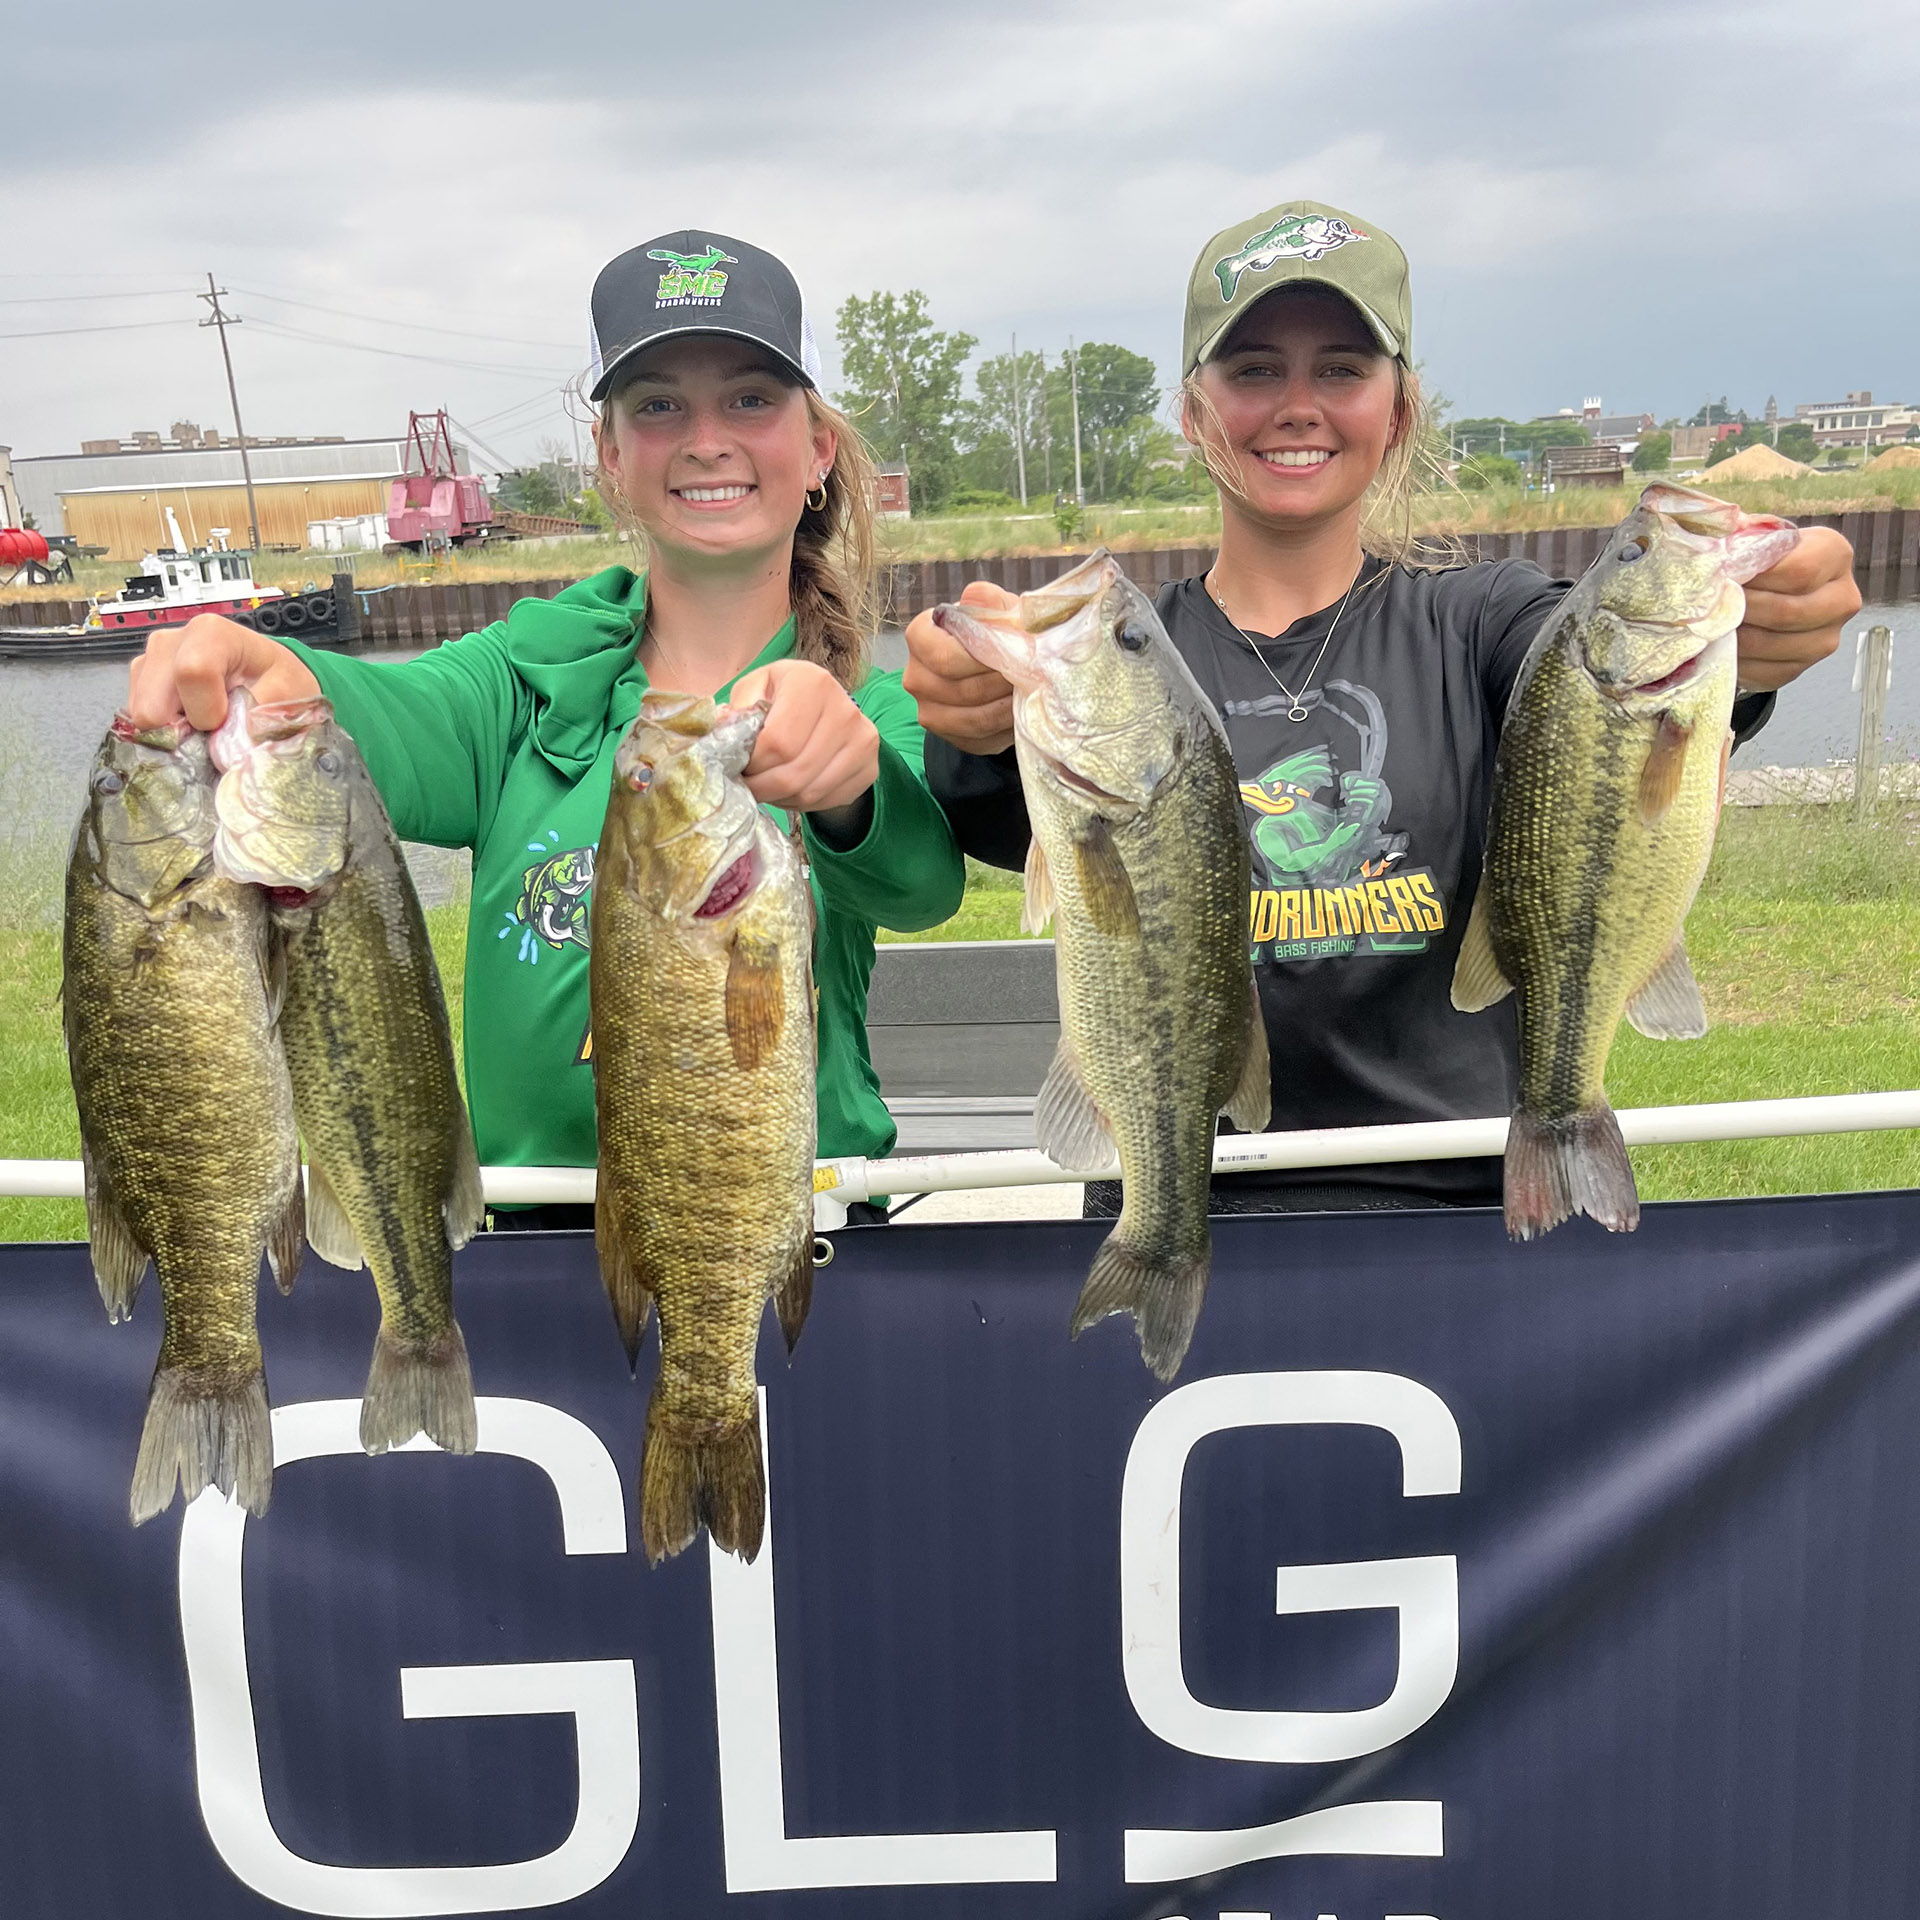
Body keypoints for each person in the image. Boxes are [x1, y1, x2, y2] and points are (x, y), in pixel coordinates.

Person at [903, 199, 1859, 1214]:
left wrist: (1749, 656)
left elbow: (1595, 695)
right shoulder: (1126, 661)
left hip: (1455, 1209)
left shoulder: (1482, 618)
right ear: (1192, 413)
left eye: (1343, 369)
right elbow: (1007, 824)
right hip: (1206, 1201)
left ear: (1399, 411)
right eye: (1254, 368)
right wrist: (972, 726)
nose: (1298, 403)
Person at [125, 229, 965, 1227]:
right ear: (609, 457)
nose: (706, 438)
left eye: (750, 397)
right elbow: (383, 717)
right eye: (658, 405)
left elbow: (921, 884)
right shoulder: (517, 682)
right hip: (535, 1241)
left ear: (819, 447)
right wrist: (265, 672)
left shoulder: (871, 711)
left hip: (788, 1227)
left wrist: (848, 789)